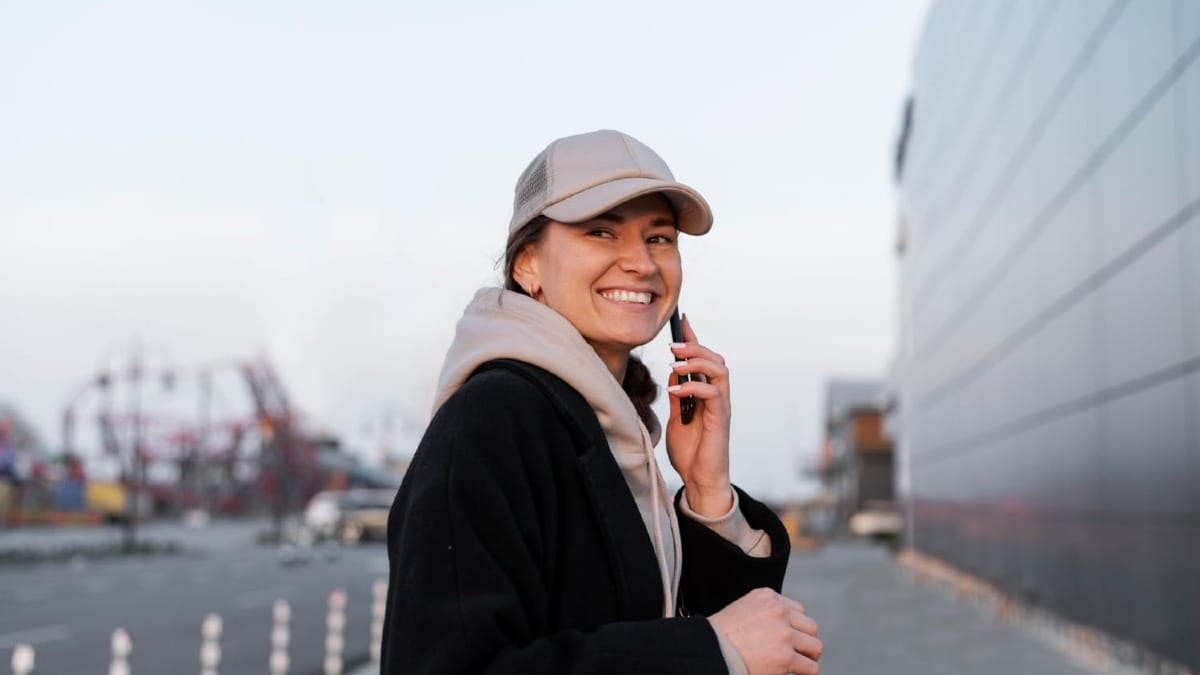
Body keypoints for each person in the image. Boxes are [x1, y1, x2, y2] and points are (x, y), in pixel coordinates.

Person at [381, 129, 822, 674]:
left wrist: (707, 490)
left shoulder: (607, 426)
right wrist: (710, 651)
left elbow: (676, 624)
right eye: (601, 232)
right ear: (528, 266)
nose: (640, 262)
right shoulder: (493, 420)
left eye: (659, 238)